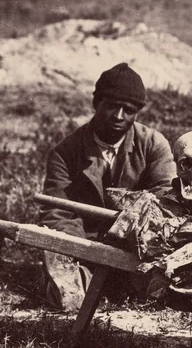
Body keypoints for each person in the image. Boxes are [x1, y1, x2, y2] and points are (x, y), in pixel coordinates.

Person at [40, 63, 178, 311]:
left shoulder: (154, 145)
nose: (118, 116)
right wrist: (86, 251)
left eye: (129, 110)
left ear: (138, 113)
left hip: (135, 246)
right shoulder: (65, 153)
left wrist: (129, 240)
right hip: (85, 245)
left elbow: (166, 204)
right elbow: (55, 213)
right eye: (112, 106)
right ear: (96, 103)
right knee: (69, 293)